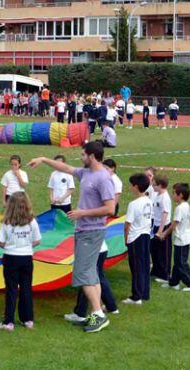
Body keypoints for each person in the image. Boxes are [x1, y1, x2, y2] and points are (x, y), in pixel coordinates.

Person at [28, 142, 116, 333]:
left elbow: (110, 208)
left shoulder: (103, 178)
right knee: (90, 273)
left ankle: (98, 315)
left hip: (91, 231)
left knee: (82, 273)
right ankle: (96, 313)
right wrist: (43, 159)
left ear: (92, 156)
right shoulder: (86, 173)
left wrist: (82, 213)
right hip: (84, 230)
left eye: (83, 155)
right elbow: (65, 168)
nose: (80, 157)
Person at [0, 192, 41, 331]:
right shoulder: (32, 221)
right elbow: (37, 240)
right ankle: (28, 319)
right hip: (27, 258)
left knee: (11, 289)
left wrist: (12, 245)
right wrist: (26, 246)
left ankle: (8, 322)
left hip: (10, 258)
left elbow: (0, 242)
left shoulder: (6, 223)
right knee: (26, 288)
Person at [163, 183, 190, 292]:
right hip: (183, 237)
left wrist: (164, 233)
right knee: (177, 261)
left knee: (181, 263)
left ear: (180, 195)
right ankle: (174, 283)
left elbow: (174, 224)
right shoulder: (185, 205)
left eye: (174, 193)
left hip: (181, 239)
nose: (172, 195)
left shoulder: (180, 208)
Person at [121, 173, 153, 305]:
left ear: (136, 186)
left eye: (131, 185)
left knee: (136, 267)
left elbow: (127, 224)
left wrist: (126, 239)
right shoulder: (149, 201)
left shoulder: (133, 204)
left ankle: (136, 296)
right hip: (145, 235)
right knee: (144, 265)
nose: (130, 187)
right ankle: (144, 292)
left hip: (135, 237)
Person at [151, 174, 172, 284]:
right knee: (155, 250)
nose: (152, 186)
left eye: (154, 185)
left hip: (163, 226)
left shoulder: (165, 198)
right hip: (155, 224)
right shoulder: (157, 194)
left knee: (164, 251)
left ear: (161, 185)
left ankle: (165, 275)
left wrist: (161, 230)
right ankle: (156, 270)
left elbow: (165, 213)